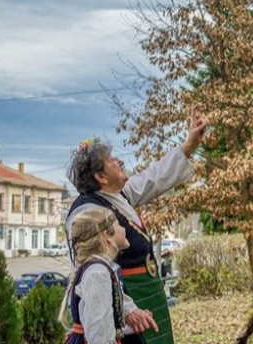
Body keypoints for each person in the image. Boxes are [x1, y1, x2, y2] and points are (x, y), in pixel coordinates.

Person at [66, 109, 207, 344]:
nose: (120, 161)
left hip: (148, 295)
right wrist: (127, 309)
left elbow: (154, 177)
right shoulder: (86, 211)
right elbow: (90, 269)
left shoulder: (119, 194)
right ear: (100, 177)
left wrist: (188, 146)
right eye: (112, 160)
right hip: (129, 300)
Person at [59, 208, 136, 344]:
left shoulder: (100, 269)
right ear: (106, 235)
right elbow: (99, 334)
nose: (124, 229)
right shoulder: (97, 274)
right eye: (118, 224)